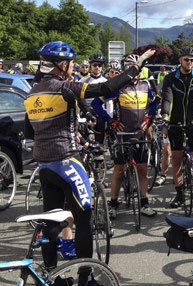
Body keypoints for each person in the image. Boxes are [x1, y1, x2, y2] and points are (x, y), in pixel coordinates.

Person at [23, 41, 154, 286]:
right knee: (84, 220)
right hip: (67, 162)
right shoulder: (64, 88)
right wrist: (136, 67)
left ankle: (53, 278)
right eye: (71, 64)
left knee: (51, 223)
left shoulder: (32, 93)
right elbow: (107, 86)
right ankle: (86, 278)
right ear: (63, 65)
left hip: (45, 166)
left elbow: (31, 133)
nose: (73, 68)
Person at [92, 54, 158, 219]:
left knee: (143, 169)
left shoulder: (145, 85)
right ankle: (113, 204)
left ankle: (144, 203)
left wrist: (149, 118)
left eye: (135, 66)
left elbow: (156, 101)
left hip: (139, 132)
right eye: (129, 66)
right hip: (122, 133)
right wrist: (111, 121)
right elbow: (95, 103)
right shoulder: (117, 87)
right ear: (125, 69)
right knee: (119, 169)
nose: (132, 69)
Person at [160, 46, 193, 210]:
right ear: (180, 61)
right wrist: (164, 118)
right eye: (187, 59)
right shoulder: (170, 78)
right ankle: (179, 193)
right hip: (175, 121)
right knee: (175, 158)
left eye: (192, 60)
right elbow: (167, 99)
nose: (190, 62)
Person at [79, 53, 110, 145]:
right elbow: (79, 99)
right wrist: (79, 117)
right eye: (94, 65)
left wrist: (110, 117)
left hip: (100, 111)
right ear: (90, 66)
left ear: (102, 66)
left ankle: (99, 148)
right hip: (86, 111)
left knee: (100, 136)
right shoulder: (82, 81)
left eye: (99, 65)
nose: (97, 67)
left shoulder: (106, 82)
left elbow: (109, 102)